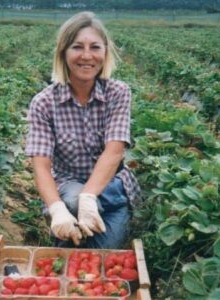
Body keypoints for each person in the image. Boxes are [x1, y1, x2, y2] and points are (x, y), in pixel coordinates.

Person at [25, 11, 140, 249]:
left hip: (111, 191)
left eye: (95, 47)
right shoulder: (44, 102)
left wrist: (89, 196)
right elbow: (41, 165)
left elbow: (114, 151)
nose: (87, 56)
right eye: (77, 47)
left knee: (102, 253)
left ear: (105, 53)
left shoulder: (118, 93)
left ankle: (88, 218)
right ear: (63, 52)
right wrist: (56, 209)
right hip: (68, 188)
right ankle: (66, 222)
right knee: (73, 214)